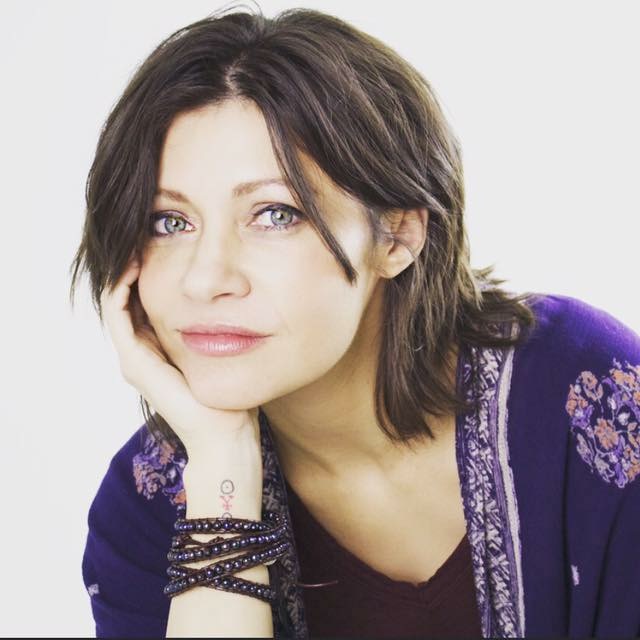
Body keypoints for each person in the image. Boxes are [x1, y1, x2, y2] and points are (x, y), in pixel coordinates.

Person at [69, 5, 640, 639]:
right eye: (169, 222)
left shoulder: (587, 398)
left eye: (275, 214)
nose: (205, 280)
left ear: (397, 236)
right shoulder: (147, 509)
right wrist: (221, 469)